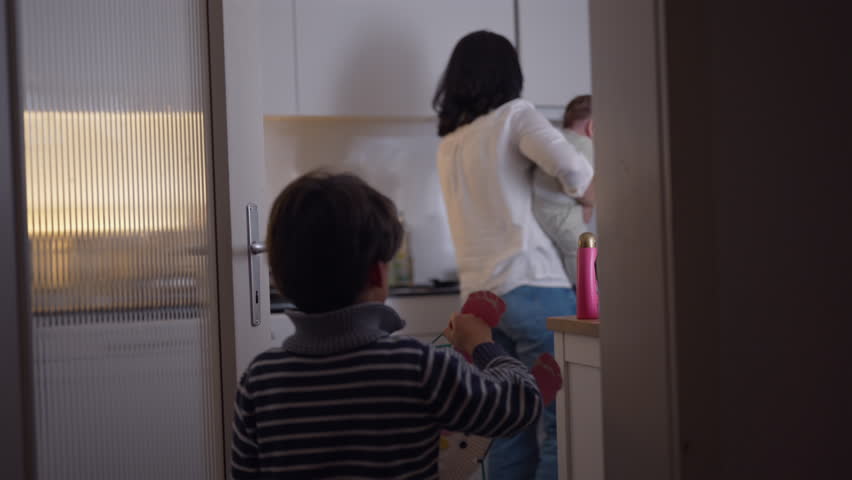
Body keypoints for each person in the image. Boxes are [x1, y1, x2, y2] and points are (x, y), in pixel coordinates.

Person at [230, 171, 542, 479]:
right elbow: (520, 406)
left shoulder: (259, 380)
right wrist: (482, 345)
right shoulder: (417, 366)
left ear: (279, 277)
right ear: (378, 275)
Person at [433, 31, 595, 480]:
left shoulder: (450, 143)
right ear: (510, 73)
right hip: (533, 287)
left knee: (507, 428)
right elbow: (572, 166)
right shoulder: (514, 115)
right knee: (563, 424)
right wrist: (589, 192)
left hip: (481, 304)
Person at [533, 94, 595, 286]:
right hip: (563, 214)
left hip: (543, 211)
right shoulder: (584, 144)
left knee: (565, 256)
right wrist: (590, 203)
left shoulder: (556, 140)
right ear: (591, 127)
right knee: (581, 254)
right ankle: (586, 295)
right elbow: (587, 193)